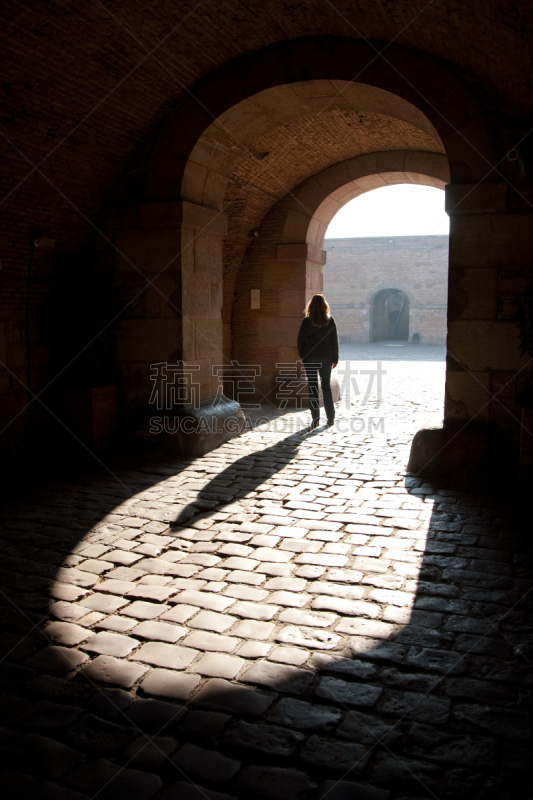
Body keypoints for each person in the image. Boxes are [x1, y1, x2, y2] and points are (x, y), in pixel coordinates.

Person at [297, 293, 339, 429]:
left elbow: (300, 340)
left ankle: (315, 419)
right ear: (324, 306)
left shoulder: (306, 321)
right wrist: (335, 358)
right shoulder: (330, 320)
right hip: (326, 357)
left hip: (310, 357)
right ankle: (331, 418)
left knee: (313, 387)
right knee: (326, 386)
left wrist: (303, 355)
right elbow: (334, 341)